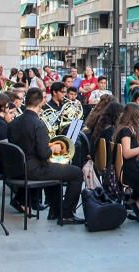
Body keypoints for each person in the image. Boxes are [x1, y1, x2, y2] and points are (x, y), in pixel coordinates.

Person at [6, 88, 84, 224]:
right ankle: (66, 214)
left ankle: (55, 211)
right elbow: (44, 154)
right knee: (77, 173)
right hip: (33, 170)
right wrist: (54, 147)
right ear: (42, 102)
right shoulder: (38, 124)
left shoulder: (14, 123)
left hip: (17, 168)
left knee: (56, 169)